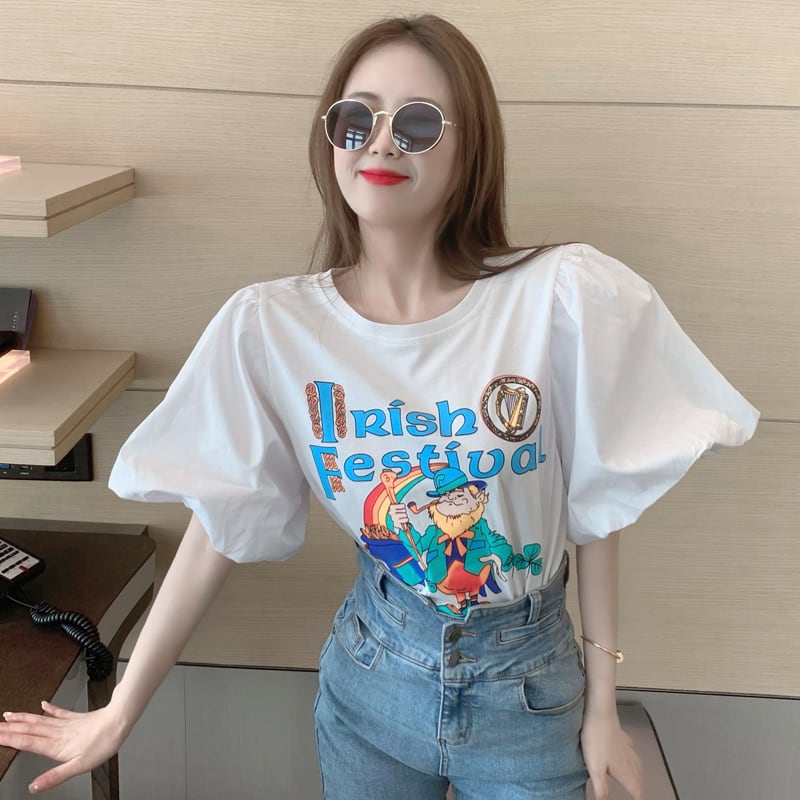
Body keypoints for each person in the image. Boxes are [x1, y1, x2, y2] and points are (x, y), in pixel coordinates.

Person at [0, 14, 759, 800]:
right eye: (356, 120)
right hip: (370, 679)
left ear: (470, 149)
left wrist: (602, 707)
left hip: (529, 693)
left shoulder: (559, 298)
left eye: (418, 124)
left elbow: (600, 505)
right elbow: (217, 525)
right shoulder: (271, 328)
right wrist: (121, 711)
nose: (382, 143)